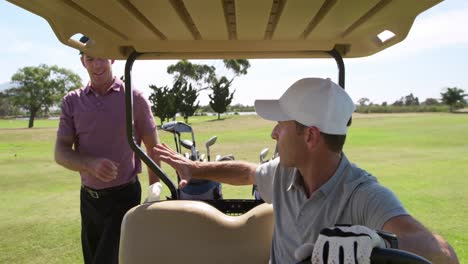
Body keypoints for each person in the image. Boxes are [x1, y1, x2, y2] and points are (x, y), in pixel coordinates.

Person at [154, 78, 459, 264]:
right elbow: (246, 173)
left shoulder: (363, 195)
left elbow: (443, 254)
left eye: (281, 125)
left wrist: (378, 241)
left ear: (310, 136)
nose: (274, 133)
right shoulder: (286, 174)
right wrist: (195, 168)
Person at [54, 36, 160, 264]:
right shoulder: (72, 102)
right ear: (83, 61)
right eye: (90, 58)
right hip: (89, 200)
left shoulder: (135, 98)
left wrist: (155, 191)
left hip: (124, 198)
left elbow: (153, 148)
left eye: (101, 57)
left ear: (112, 58)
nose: (97, 65)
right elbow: (61, 152)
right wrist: (89, 163)